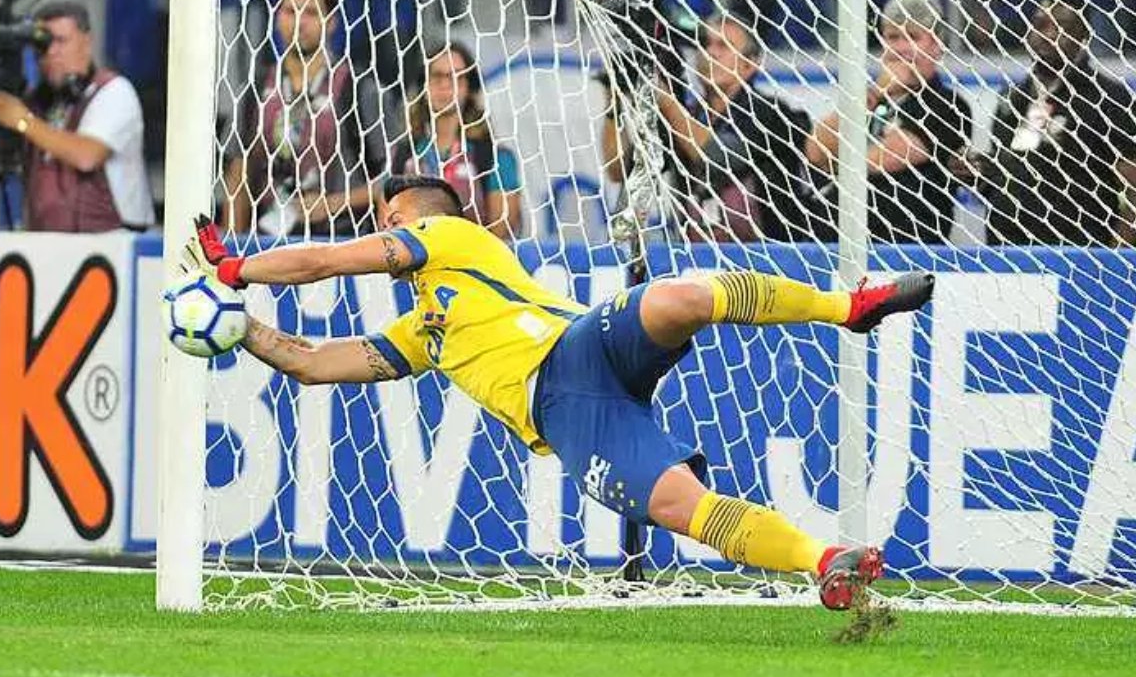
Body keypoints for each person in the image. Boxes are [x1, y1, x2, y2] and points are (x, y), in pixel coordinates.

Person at [182, 174, 937, 610]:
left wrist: (234, 269)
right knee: (680, 506)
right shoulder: (424, 332)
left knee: (677, 298)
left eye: (392, 217)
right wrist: (236, 326)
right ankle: (827, 560)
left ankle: (849, 306)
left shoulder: (453, 237)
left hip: (580, 345)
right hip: (571, 413)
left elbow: (323, 263)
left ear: (418, 218)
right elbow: (313, 363)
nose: (385, 225)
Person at [0, 0, 155, 232]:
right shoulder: (36, 103)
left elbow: (87, 156)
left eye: (61, 41)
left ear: (87, 42)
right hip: (45, 245)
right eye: (42, 44)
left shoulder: (114, 91)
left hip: (113, 243)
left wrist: (23, 121)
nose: (51, 52)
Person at [221, 0, 386, 238]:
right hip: (269, 243)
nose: (299, 21)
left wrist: (332, 204)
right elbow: (237, 178)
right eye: (290, 11)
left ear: (331, 22)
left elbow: (390, 179)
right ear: (277, 19)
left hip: (341, 241)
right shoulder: (253, 89)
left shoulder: (359, 88)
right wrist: (232, 244)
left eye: (310, 12)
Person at [966, 0, 1136, 246]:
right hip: (1005, 254)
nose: (1048, 35)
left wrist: (1115, 258)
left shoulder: (1108, 98)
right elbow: (1005, 175)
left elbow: (1133, 188)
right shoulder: (1012, 97)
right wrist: (979, 171)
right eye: (1040, 24)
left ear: (1084, 36)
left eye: (1061, 27)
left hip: (1078, 257)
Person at [805, 0, 971, 245]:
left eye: (912, 37)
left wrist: (834, 162)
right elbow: (816, 152)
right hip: (837, 241)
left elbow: (886, 158)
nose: (901, 48)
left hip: (905, 246)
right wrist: (875, 94)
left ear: (937, 46)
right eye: (893, 37)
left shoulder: (948, 105)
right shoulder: (870, 99)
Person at [654, 15, 820, 242]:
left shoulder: (770, 113)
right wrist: (616, 95)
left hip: (768, 255)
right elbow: (617, 169)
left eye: (723, 46)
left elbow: (718, 158)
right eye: (705, 44)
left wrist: (665, 101)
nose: (710, 53)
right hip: (695, 254)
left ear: (749, 64)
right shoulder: (689, 115)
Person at [388, 42, 522, 240]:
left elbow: (500, 235)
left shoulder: (496, 158)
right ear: (424, 86)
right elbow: (387, 226)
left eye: (456, 77)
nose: (445, 84)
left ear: (469, 87)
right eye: (437, 76)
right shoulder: (403, 154)